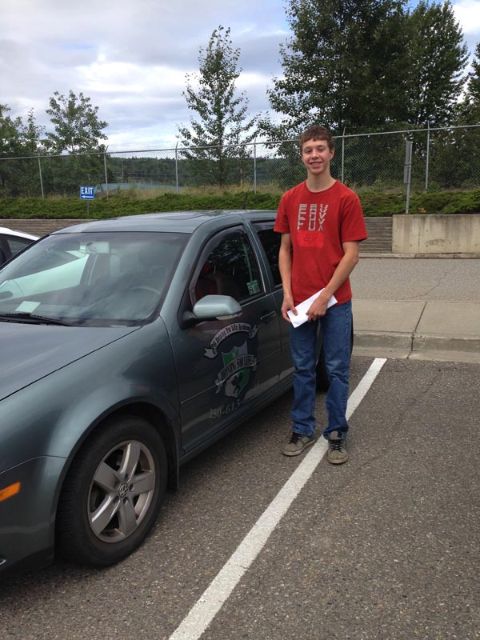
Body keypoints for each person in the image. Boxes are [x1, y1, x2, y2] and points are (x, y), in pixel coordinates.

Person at [274, 125, 368, 464]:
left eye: (320, 149)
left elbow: (351, 255)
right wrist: (287, 294)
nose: (314, 155)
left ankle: (337, 433)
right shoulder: (289, 198)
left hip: (335, 301)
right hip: (299, 302)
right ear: (301, 155)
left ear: (331, 153)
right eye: (308, 150)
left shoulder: (346, 198)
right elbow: (285, 250)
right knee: (302, 368)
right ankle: (302, 428)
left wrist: (324, 295)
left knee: (337, 369)